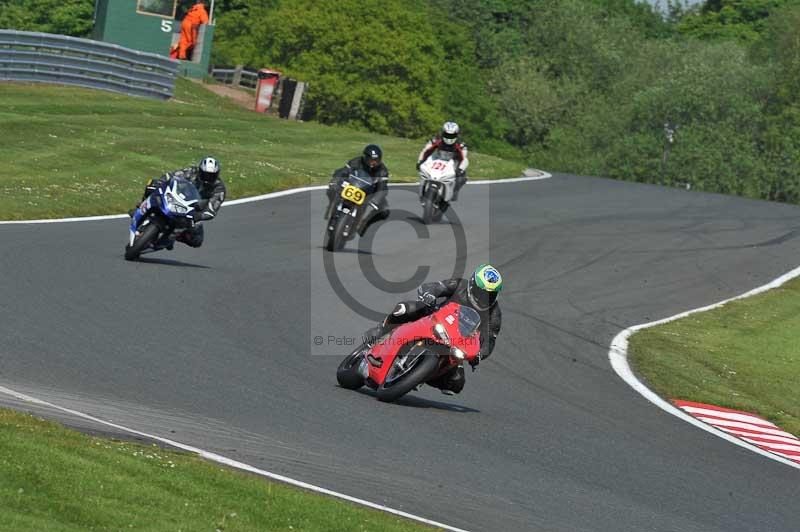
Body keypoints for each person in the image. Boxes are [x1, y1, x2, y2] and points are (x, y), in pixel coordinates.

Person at [364, 264, 503, 395]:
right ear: (472, 285)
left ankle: (419, 375)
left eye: (490, 295)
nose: (485, 297)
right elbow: (435, 287)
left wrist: (479, 355)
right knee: (405, 308)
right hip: (433, 319)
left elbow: (489, 341)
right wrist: (429, 295)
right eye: (482, 292)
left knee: (456, 383)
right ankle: (381, 330)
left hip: (456, 342)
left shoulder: (494, 314)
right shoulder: (460, 285)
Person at [134, 156, 226, 248]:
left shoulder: (219, 189)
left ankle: (174, 236)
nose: (207, 178)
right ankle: (142, 205)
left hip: (192, 210)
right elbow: (170, 176)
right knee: (152, 184)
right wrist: (161, 182)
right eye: (205, 174)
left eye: (211, 176)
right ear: (200, 171)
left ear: (217, 175)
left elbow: (212, 210)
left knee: (197, 240)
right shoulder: (191, 172)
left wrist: (199, 215)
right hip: (175, 197)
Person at [325, 144, 390, 236]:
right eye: (371, 160)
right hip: (352, 185)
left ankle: (365, 224)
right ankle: (331, 207)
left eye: (376, 160)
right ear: (365, 157)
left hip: (369, 191)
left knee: (385, 211)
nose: (373, 163)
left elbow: (382, 187)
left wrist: (375, 200)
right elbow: (343, 171)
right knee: (332, 189)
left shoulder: (382, 170)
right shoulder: (356, 161)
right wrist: (335, 181)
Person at [416, 121, 469, 201]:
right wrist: (420, 161)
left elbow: (464, 158)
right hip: (438, 158)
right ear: (443, 133)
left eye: (452, 135)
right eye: (447, 135)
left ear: (457, 134)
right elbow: (425, 151)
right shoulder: (436, 140)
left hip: (453, 160)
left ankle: (454, 191)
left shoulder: (461, 144)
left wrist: (460, 169)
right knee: (423, 170)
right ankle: (423, 191)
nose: (449, 138)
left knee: (461, 177)